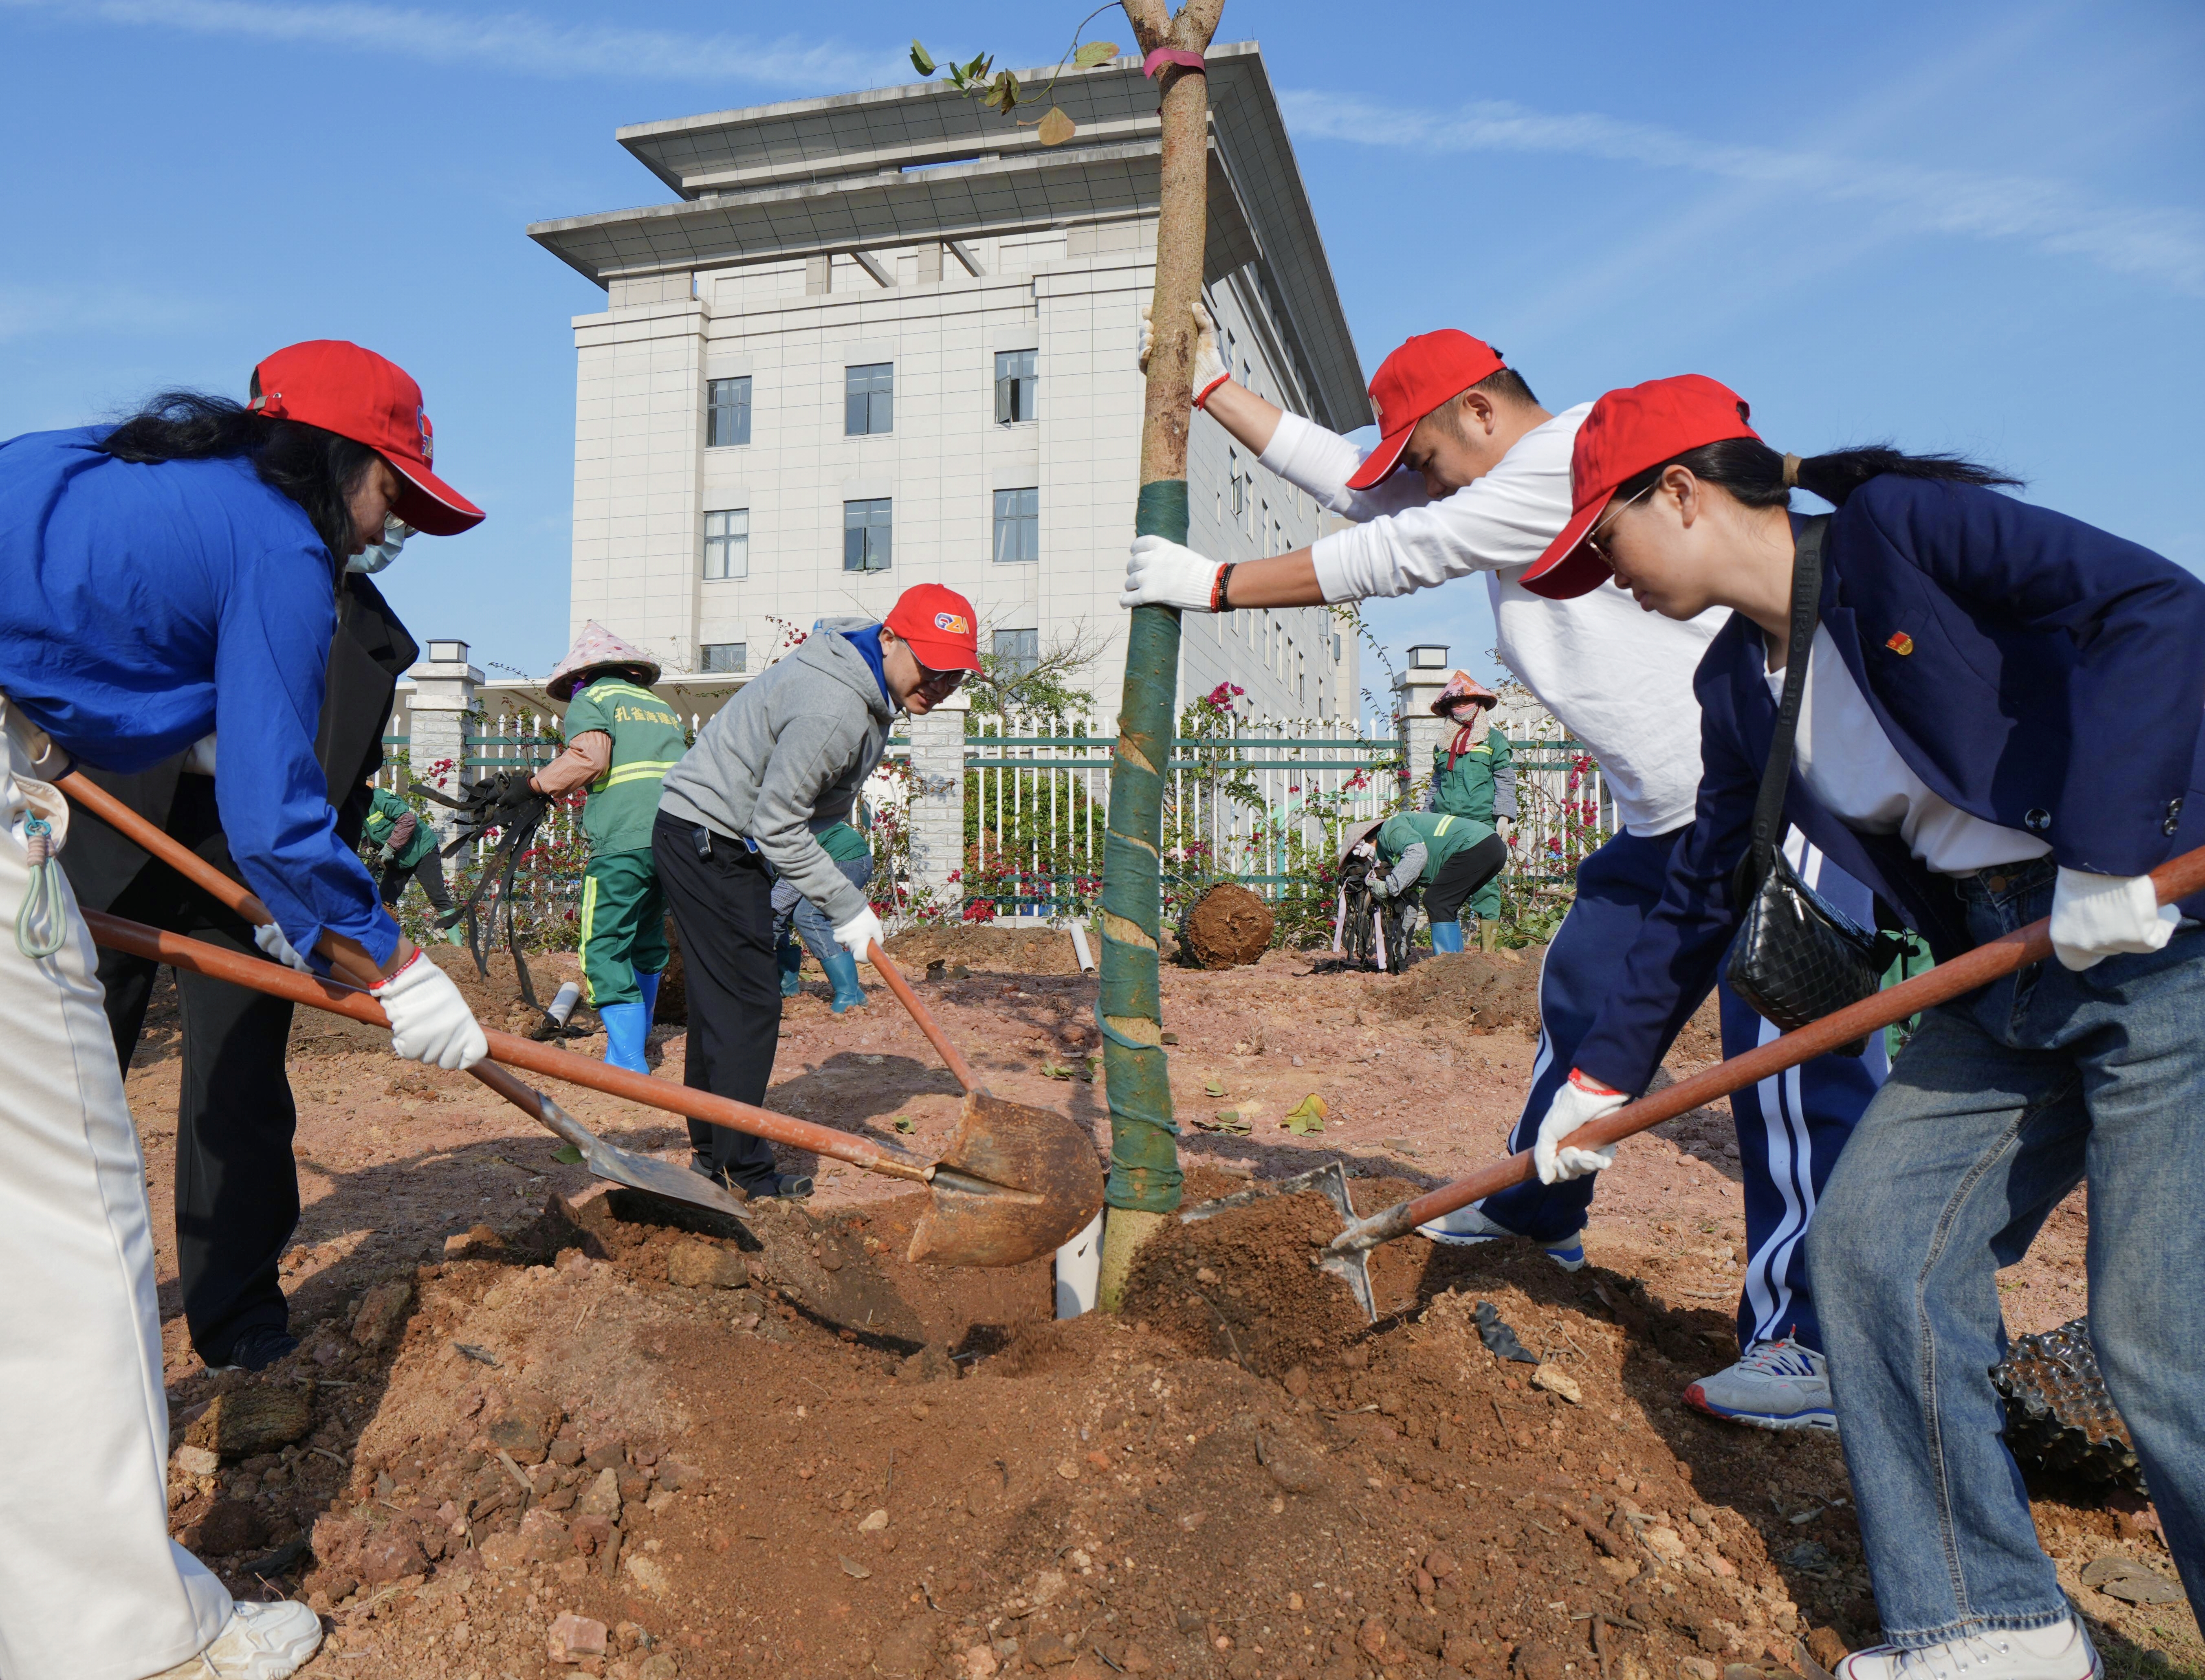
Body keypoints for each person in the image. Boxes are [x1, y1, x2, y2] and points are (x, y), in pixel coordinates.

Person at [1519, 373, 2204, 1679]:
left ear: (1677, 493)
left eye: (1602, 542)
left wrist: (2111, 849)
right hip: (1999, 978)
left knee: (2162, 1342)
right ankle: (1991, 1625)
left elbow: (2154, 606)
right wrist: (1594, 1082)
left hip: (2161, 939)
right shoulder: (1736, 682)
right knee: (1873, 1255)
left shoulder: (1899, 532)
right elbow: (1700, 889)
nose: (1604, 578)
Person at [1122, 309, 1886, 1428]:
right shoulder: (1492, 486)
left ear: (1481, 412)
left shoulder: (1571, 456)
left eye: (1426, 458)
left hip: (1770, 803)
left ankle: (1816, 1342)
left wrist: (1220, 586)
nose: (1420, 487)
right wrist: (1211, 388)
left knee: (1784, 1071)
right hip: (1661, 815)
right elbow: (1358, 488)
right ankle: (1539, 1208)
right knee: (1578, 999)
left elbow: (1392, 550)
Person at [0, 338, 491, 1680]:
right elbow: (282, 817)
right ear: (338, 464)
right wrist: (397, 966)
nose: (395, 525)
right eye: (395, 492)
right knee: (76, 1213)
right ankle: (124, 1634)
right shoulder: (278, 548)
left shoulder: (99, 468)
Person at [64, 537, 427, 1375]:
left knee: (242, 1081)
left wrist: (309, 905)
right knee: (66, 1069)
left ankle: (240, 1319)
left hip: (259, 857)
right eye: (390, 490)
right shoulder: (200, 552)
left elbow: (351, 783)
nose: (396, 523)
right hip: (115, 817)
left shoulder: (374, 636)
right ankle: (46, 1301)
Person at [654, 585, 980, 1196]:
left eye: (954, 676)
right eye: (931, 668)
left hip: (712, 834)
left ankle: (713, 1153)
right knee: (749, 1007)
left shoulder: (864, 678)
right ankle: (743, 1171)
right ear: (888, 638)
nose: (939, 685)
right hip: (711, 840)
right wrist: (847, 906)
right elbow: (778, 823)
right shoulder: (835, 704)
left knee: (727, 1006)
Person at [527, 624, 685, 1074]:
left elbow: (590, 758)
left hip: (624, 837)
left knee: (605, 943)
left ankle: (629, 1059)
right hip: (674, 833)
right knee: (648, 935)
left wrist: (536, 786)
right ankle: (637, 1039)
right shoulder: (658, 706)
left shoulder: (593, 699)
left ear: (581, 677)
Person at [1422, 671, 1516, 950]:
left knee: (1485, 884)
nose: (1460, 708)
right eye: (1454, 703)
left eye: (1466, 701)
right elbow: (1436, 783)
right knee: (1441, 882)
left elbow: (1505, 778)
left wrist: (1504, 816)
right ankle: (1450, 955)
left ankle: (1488, 952)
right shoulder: (1442, 744)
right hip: (1445, 825)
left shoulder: (1494, 740)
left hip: (1480, 824)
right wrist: (1426, 818)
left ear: (1479, 704)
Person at [1358, 810, 1509, 952]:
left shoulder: (1389, 829)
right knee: (1447, 904)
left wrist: (1390, 886)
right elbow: (1410, 904)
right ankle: (1459, 965)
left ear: (1366, 843)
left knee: (1437, 901)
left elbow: (1417, 853)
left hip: (1477, 845)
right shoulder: (1396, 856)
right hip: (1491, 846)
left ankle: (1448, 967)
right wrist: (1400, 950)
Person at [775, 811, 874, 1012]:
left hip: (847, 859)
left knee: (808, 916)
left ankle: (850, 994)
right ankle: (786, 986)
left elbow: (790, 881)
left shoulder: (775, 828)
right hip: (819, 861)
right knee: (775, 914)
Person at [362, 781, 460, 932]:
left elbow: (408, 820)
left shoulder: (380, 798)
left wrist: (389, 848)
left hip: (422, 849)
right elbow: (366, 836)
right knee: (385, 901)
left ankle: (457, 951)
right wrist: (369, 849)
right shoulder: (359, 809)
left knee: (438, 898)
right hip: (399, 858)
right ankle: (392, 945)